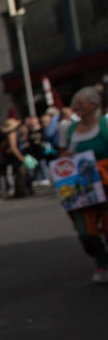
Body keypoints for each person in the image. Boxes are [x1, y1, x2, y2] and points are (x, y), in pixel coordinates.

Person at [61, 86, 108, 283]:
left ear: (94, 104)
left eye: (81, 103)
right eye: (74, 103)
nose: (76, 107)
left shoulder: (105, 124)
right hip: (82, 188)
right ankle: (101, 261)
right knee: (85, 232)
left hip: (105, 184)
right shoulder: (68, 129)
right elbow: (62, 156)